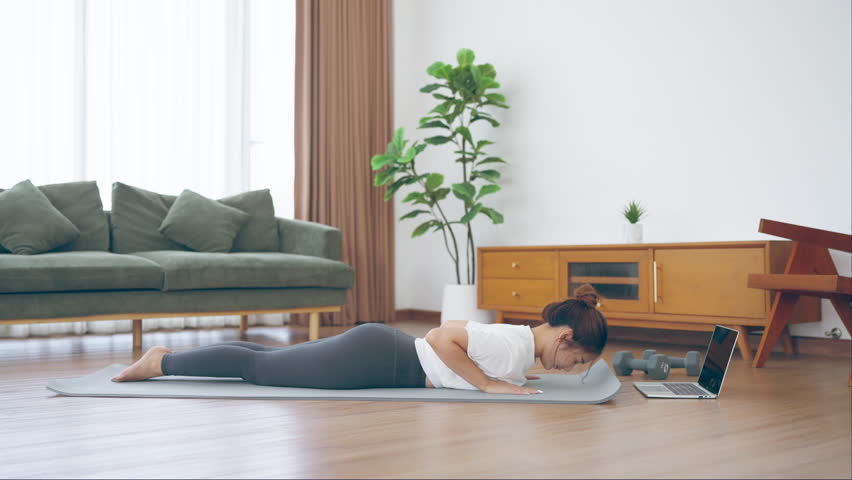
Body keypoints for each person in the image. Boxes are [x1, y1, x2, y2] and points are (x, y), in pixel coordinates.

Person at [111, 284, 608, 395]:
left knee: (268, 359)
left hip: (379, 353)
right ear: (564, 336)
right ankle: (163, 364)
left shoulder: (522, 344)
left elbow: (496, 360)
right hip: (375, 359)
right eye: (575, 358)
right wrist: (488, 385)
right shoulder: (513, 347)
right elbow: (442, 335)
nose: (568, 368)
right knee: (260, 369)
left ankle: (170, 358)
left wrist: (512, 380)